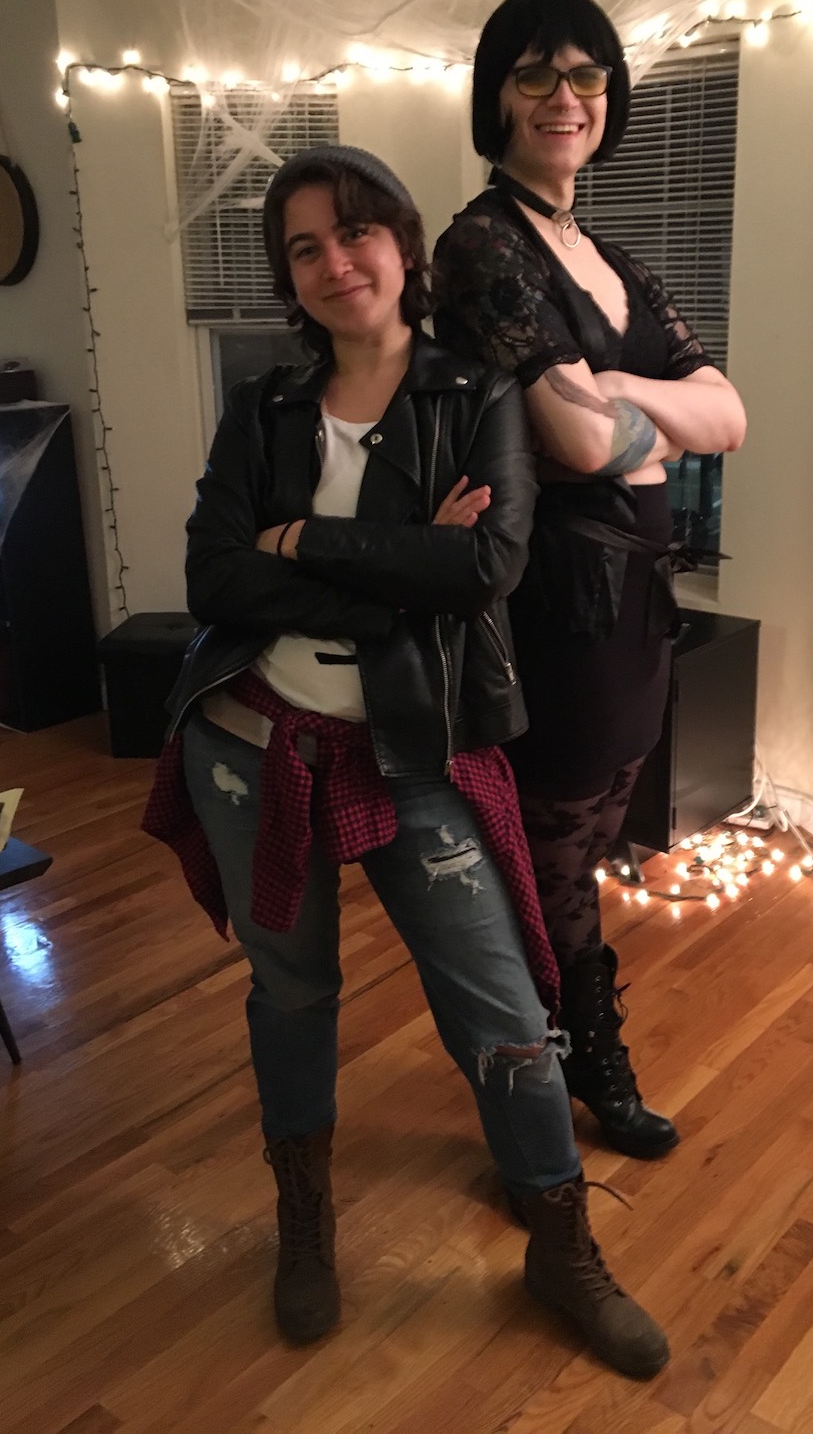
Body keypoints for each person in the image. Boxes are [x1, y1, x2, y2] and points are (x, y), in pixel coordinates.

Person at [143, 144, 669, 1379]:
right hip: (252, 741)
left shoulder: (473, 396)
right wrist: (395, 563)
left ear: (402, 242)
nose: (336, 263)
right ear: (288, 277)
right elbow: (212, 579)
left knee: (502, 1003)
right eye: (305, 248)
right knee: (291, 992)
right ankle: (304, 1216)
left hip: (413, 748)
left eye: (356, 232)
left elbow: (484, 567)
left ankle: (561, 1243)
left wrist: (301, 544)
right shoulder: (262, 408)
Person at [434, 0, 746, 1161]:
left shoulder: (611, 255)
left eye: (586, 74)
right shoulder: (481, 246)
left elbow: (732, 415)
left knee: (602, 820)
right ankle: (578, 1061)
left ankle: (557, 1041)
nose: (565, 96)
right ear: (498, 96)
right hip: (555, 601)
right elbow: (576, 443)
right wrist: (642, 417)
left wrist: (616, 390)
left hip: (639, 600)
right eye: (535, 74)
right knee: (552, 849)